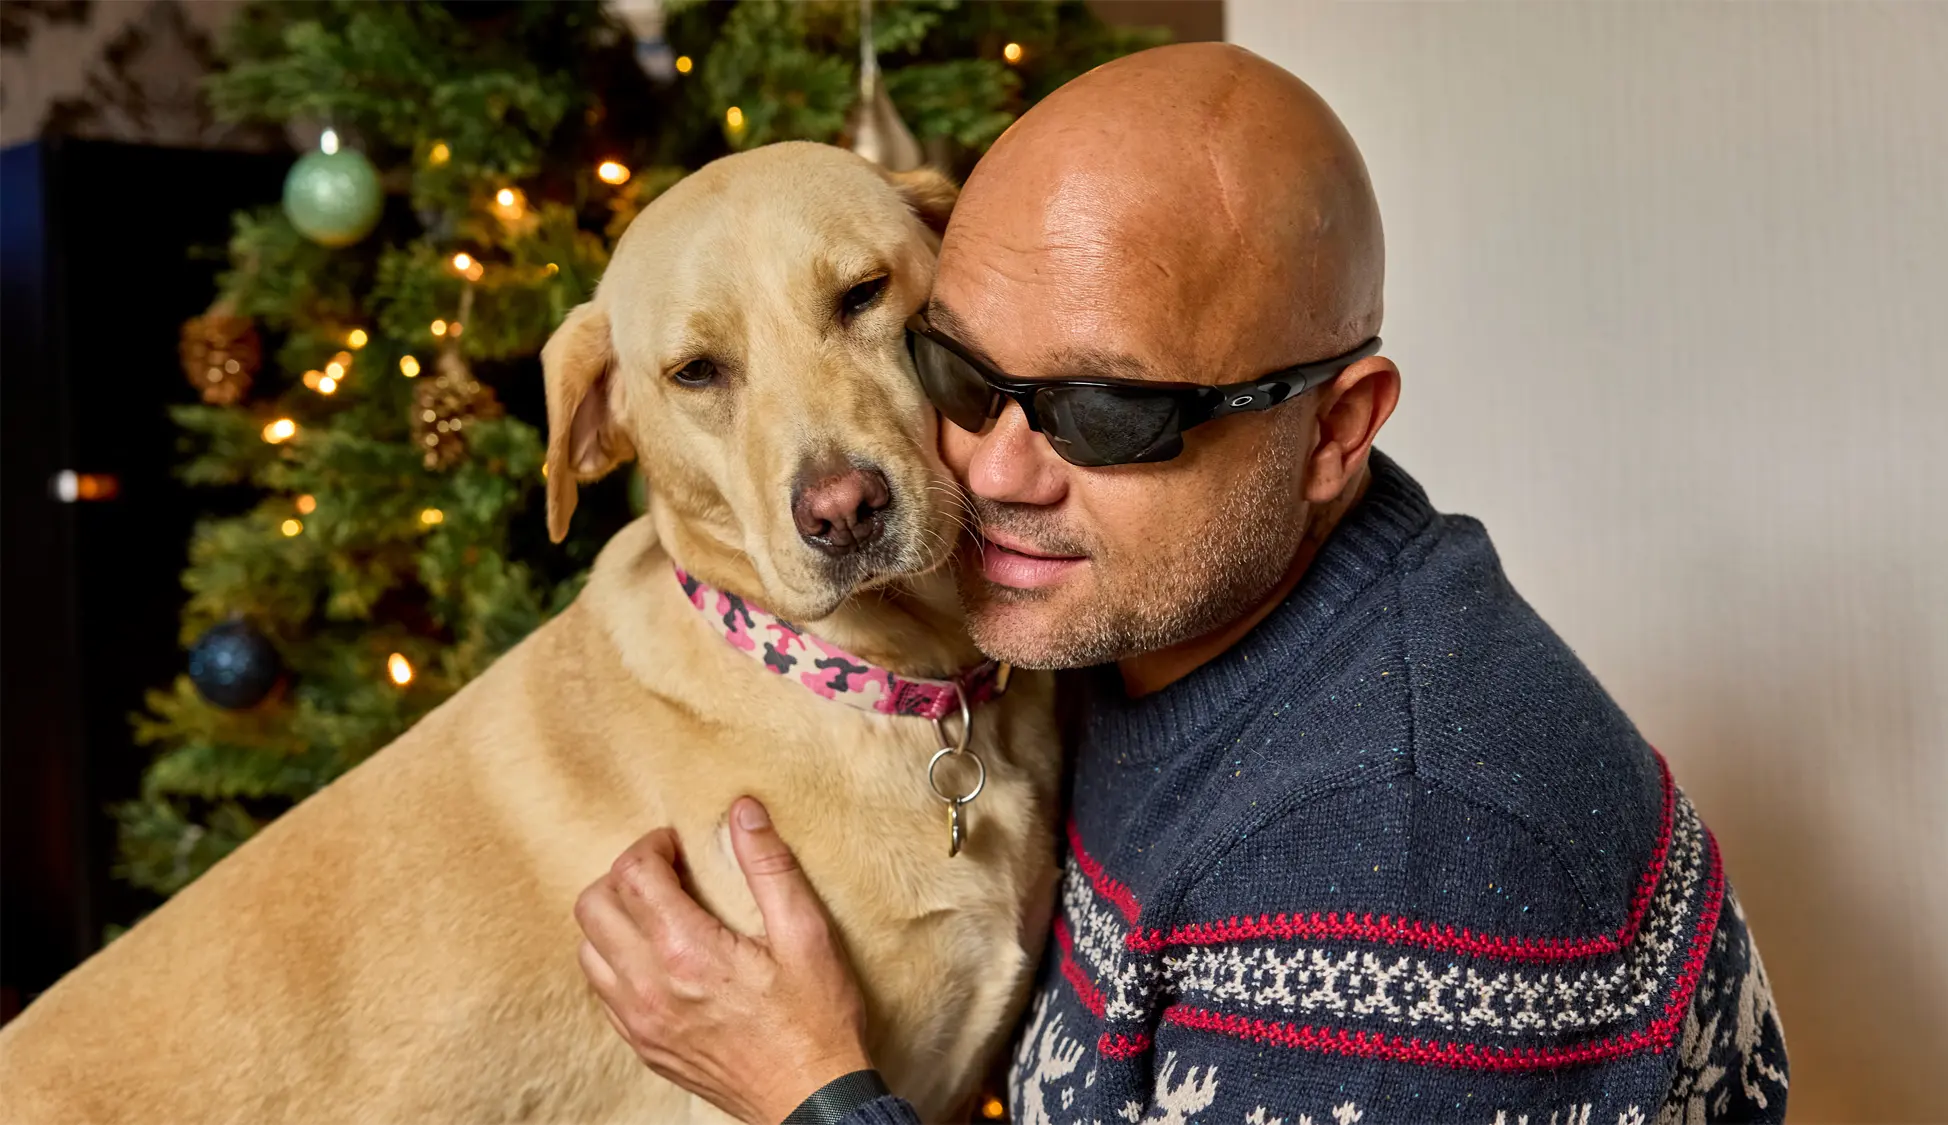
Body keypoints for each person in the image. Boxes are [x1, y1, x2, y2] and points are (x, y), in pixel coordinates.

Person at [570, 43, 1788, 1125]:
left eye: (1107, 412)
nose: (992, 470)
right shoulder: (1104, 634)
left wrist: (808, 1090)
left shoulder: (1406, 854)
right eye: (960, 372)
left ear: (1330, 431)